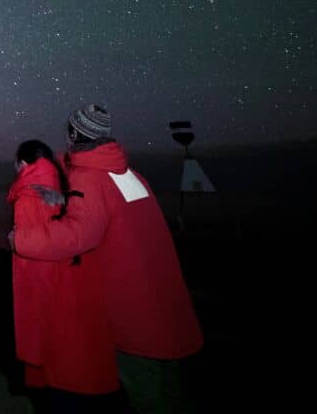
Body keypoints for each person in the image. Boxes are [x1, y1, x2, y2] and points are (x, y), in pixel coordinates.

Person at [14, 104, 203, 414]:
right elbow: (106, 211)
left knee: (146, 396)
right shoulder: (127, 172)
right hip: (163, 299)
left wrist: (21, 239)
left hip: (133, 308)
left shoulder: (89, 179)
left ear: (74, 133)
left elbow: (78, 235)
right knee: (174, 391)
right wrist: (56, 180)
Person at [8, 140, 118, 412]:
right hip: (77, 293)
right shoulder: (67, 185)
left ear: (22, 165)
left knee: (58, 384)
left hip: (50, 300)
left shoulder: (28, 195)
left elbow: (36, 263)